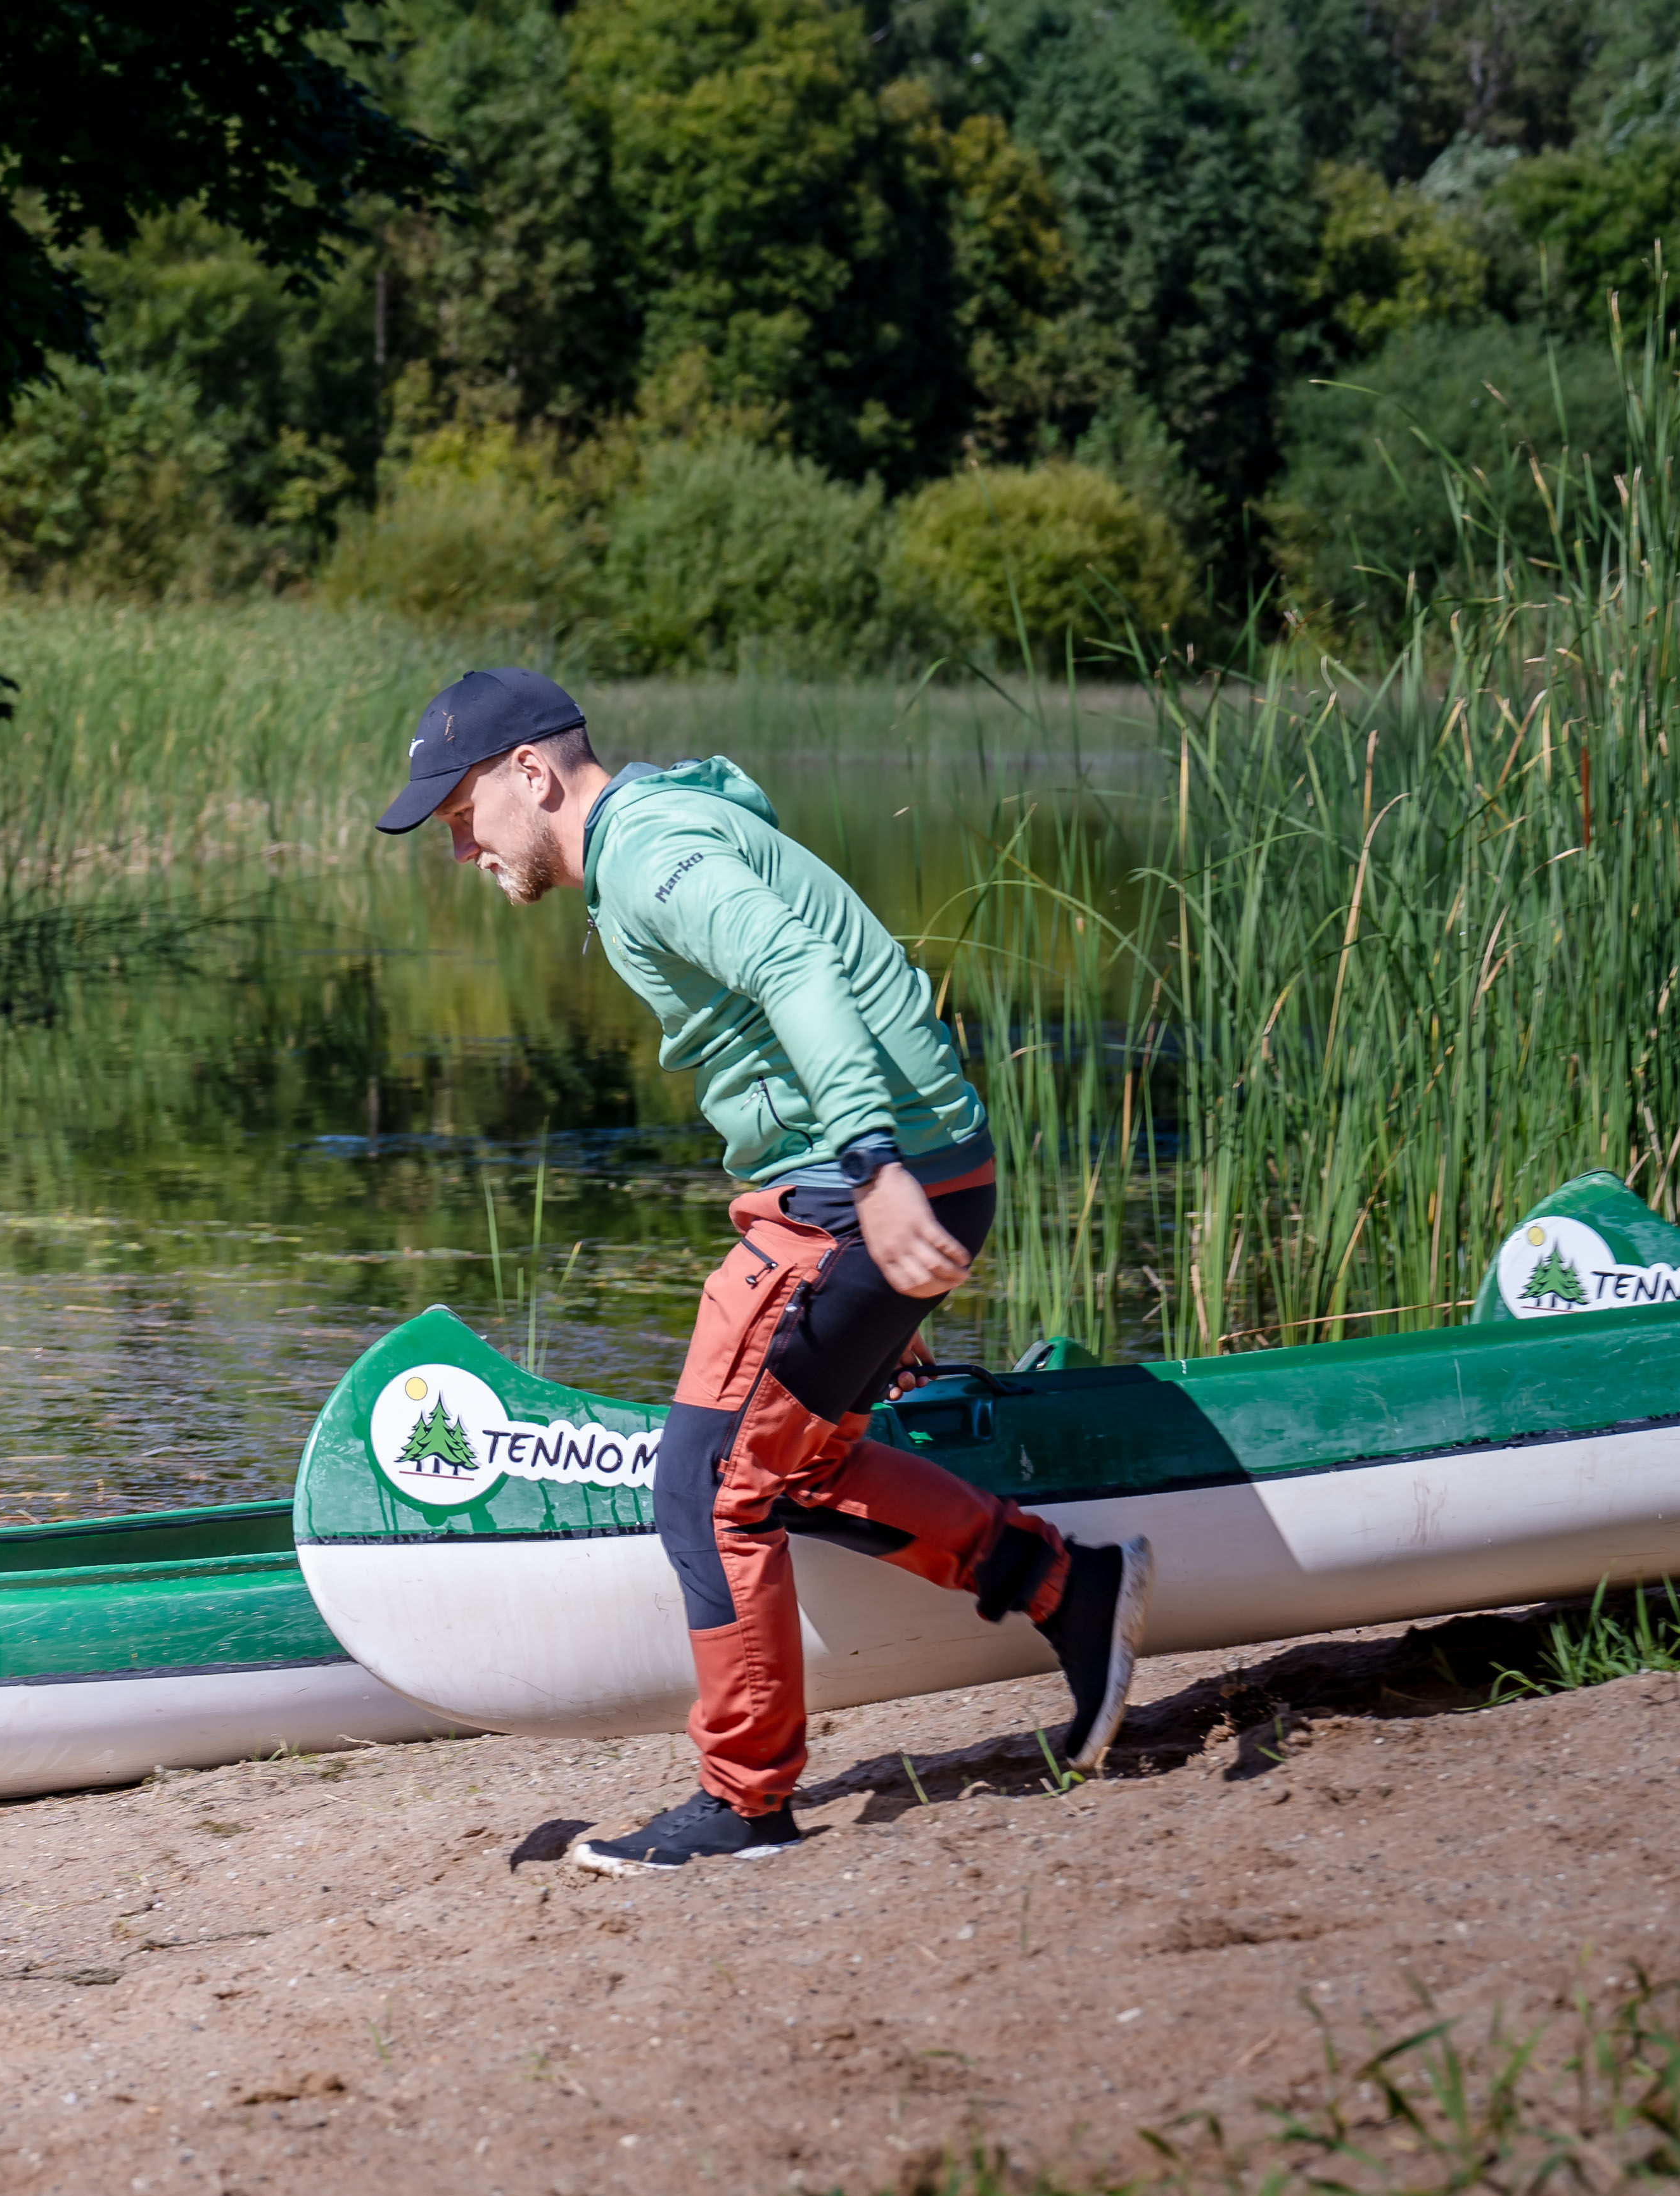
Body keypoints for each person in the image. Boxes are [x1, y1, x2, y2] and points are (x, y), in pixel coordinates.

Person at [371, 667, 1152, 1874]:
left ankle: (743, 1804)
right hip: (910, 1175)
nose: (460, 847)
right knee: (794, 1465)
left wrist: (874, 1167)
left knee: (704, 1487)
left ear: (532, 773)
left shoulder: (651, 856)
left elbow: (796, 967)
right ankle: (1066, 1587)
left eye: (462, 814)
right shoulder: (661, 827)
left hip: (859, 1186)